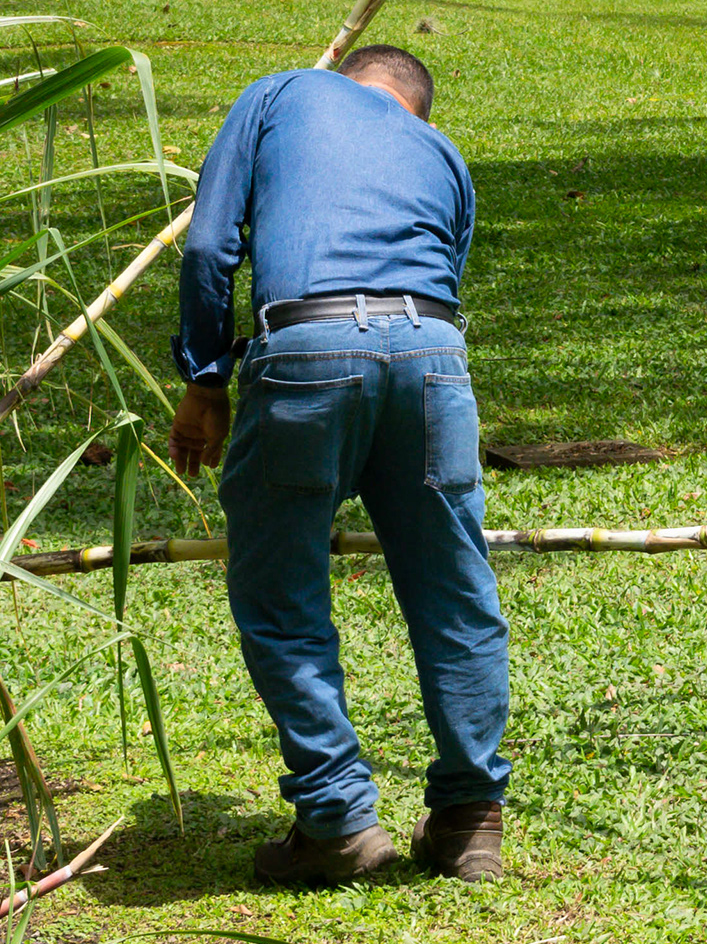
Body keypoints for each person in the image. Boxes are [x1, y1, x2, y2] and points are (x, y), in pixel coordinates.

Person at [168, 43, 507, 886]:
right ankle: (470, 823)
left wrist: (206, 380)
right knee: (456, 590)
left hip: (308, 347)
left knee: (282, 594)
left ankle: (336, 820)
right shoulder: (445, 156)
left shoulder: (281, 93)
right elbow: (444, 284)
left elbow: (209, 246)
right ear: (411, 108)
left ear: (351, 81)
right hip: (435, 354)